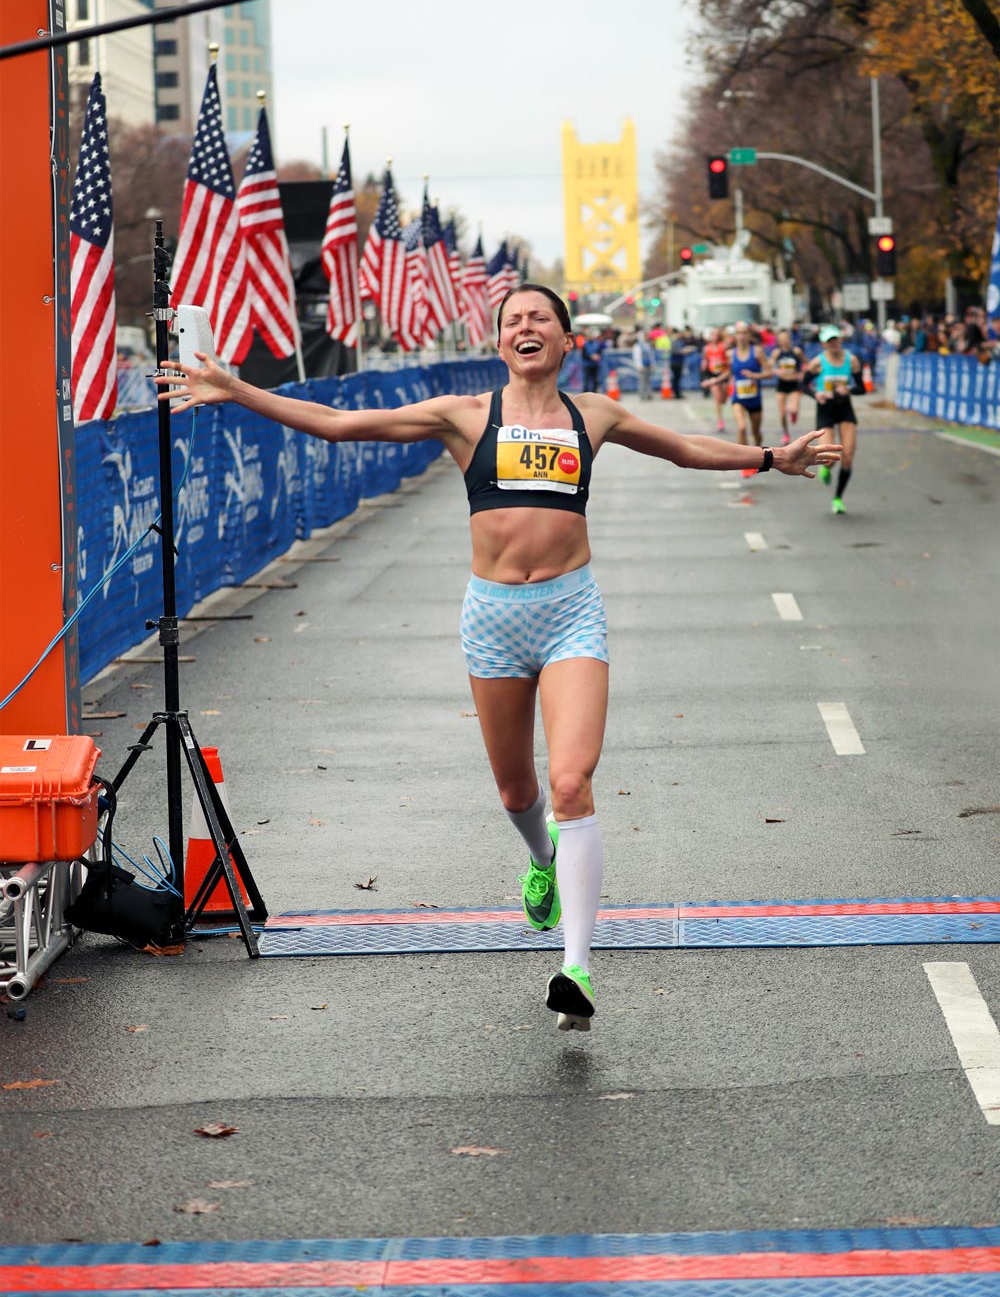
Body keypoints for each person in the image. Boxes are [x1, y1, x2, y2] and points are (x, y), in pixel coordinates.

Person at [156, 285, 841, 1034]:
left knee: (571, 779)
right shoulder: (465, 416)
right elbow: (340, 425)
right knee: (518, 792)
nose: (526, 326)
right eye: (514, 319)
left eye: (540, 317)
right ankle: (541, 857)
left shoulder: (596, 415)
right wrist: (235, 389)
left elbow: (685, 449)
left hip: (571, 612)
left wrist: (772, 456)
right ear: (499, 342)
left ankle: (576, 966)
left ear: (566, 339)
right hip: (492, 620)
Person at [805, 323, 860, 515]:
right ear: (823, 344)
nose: (834, 343)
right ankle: (826, 469)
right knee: (830, 458)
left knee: (848, 456)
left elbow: (862, 388)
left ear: (841, 340)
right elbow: (803, 384)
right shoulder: (817, 362)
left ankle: (838, 498)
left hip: (845, 409)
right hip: (826, 409)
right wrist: (817, 394)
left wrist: (849, 389)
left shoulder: (851, 361)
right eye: (830, 341)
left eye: (836, 339)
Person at [729, 321, 768, 475]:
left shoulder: (757, 352)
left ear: (750, 335)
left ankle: (757, 455)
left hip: (754, 399)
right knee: (742, 427)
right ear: (735, 336)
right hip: (738, 398)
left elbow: (769, 372)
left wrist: (755, 375)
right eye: (739, 333)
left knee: (756, 431)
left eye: (744, 333)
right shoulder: (730, 354)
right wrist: (715, 380)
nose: (742, 336)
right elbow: (729, 373)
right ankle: (745, 463)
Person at [768, 328, 805, 445]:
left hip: (794, 384)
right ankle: (786, 433)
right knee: (782, 412)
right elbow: (768, 366)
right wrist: (776, 371)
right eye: (781, 339)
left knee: (793, 409)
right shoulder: (777, 353)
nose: (784, 341)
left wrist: (801, 374)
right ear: (778, 341)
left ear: (790, 339)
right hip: (782, 384)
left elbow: (807, 363)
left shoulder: (796, 351)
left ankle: (794, 413)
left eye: (786, 339)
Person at [700, 327, 730, 432]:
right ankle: (720, 422)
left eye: (717, 334)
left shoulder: (723, 347)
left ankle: (721, 405)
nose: (714, 337)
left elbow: (728, 360)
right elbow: (705, 359)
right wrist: (704, 364)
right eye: (713, 334)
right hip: (712, 375)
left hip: (723, 375)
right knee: (717, 399)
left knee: (723, 399)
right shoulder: (706, 348)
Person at [631, 330, 654, 401]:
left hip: (648, 365)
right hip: (642, 366)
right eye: (645, 336)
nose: (647, 337)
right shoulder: (638, 345)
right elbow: (636, 357)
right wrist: (639, 365)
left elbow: (651, 355)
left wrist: (652, 364)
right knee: (642, 381)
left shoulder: (648, 344)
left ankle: (648, 394)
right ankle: (642, 395)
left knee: (648, 380)